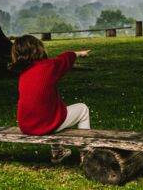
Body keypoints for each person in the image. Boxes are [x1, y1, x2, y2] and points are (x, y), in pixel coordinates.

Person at [8, 35, 91, 164]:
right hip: (45, 124)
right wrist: (79, 53)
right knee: (82, 109)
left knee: (53, 112)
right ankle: (86, 153)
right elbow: (64, 58)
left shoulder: (23, 74)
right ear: (38, 49)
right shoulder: (48, 67)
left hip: (26, 125)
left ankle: (57, 152)